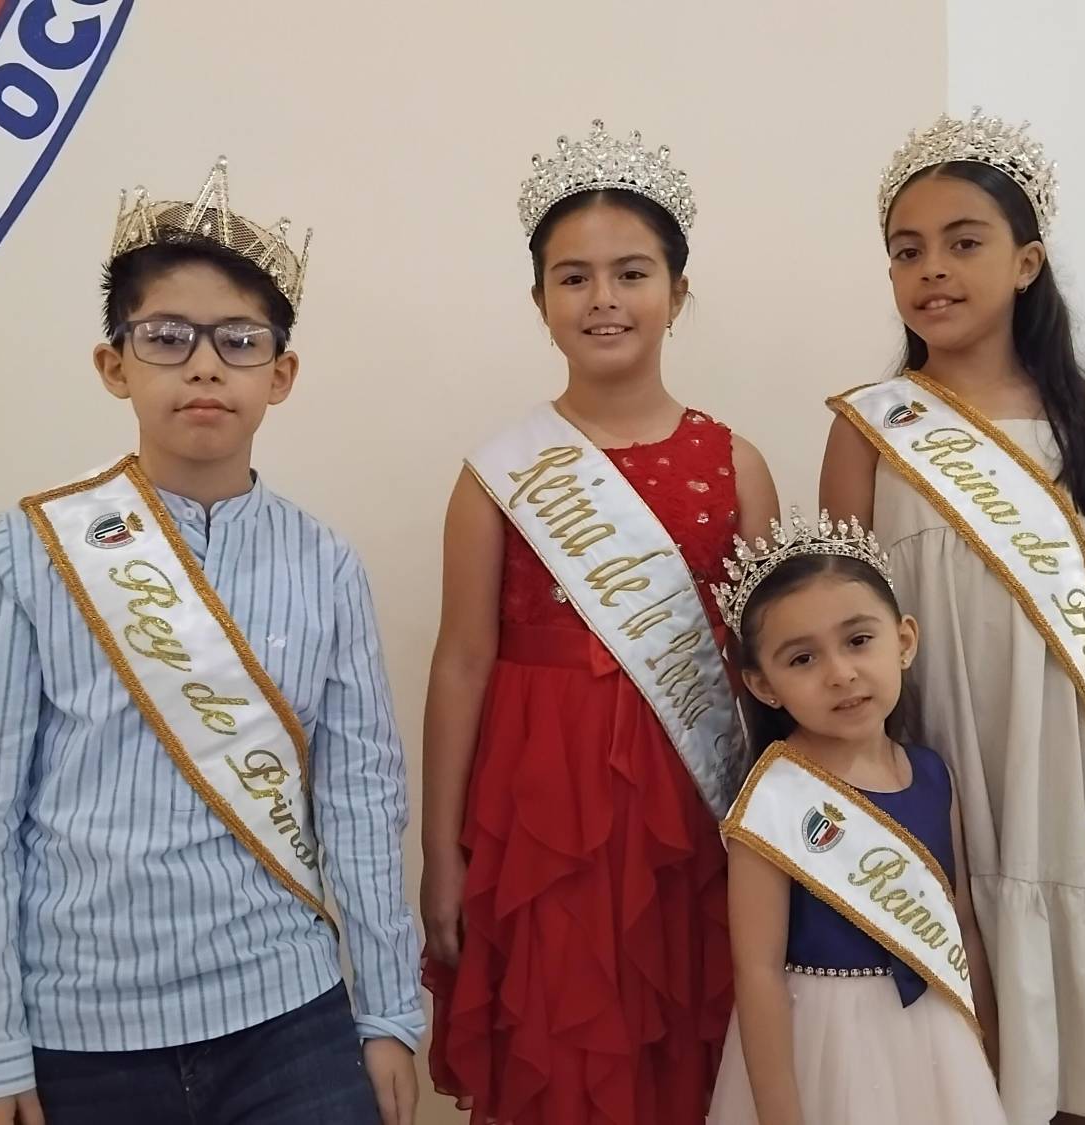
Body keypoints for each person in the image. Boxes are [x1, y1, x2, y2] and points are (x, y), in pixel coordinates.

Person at [0, 157, 421, 1125]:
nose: (202, 365)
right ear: (114, 365)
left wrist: (389, 1010)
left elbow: (361, 802)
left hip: (290, 1019)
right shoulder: (30, 551)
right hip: (80, 1033)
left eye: (237, 341)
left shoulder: (326, 565)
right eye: (166, 337)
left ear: (281, 374)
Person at [819, 110, 1085, 1124]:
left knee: (1079, 1069)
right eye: (906, 252)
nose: (931, 271)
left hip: (1062, 786)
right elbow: (833, 645)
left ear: (1026, 260)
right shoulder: (868, 429)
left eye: (963, 242)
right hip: (932, 780)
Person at [420, 120, 780, 1124]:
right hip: (540, 814)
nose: (603, 299)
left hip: (686, 809)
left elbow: (770, 675)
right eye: (571, 277)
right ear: (539, 301)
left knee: (687, 1044)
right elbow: (459, 665)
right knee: (561, 1040)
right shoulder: (496, 474)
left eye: (630, 272)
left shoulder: (737, 466)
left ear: (676, 288)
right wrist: (439, 849)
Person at [706, 508, 1007, 1125]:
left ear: (904, 641)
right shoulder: (773, 797)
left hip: (934, 1037)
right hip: (819, 1040)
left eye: (858, 640)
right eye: (802, 659)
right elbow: (757, 973)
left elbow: (964, 925)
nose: (840, 673)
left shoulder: (933, 775)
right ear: (764, 687)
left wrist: (987, 1052)